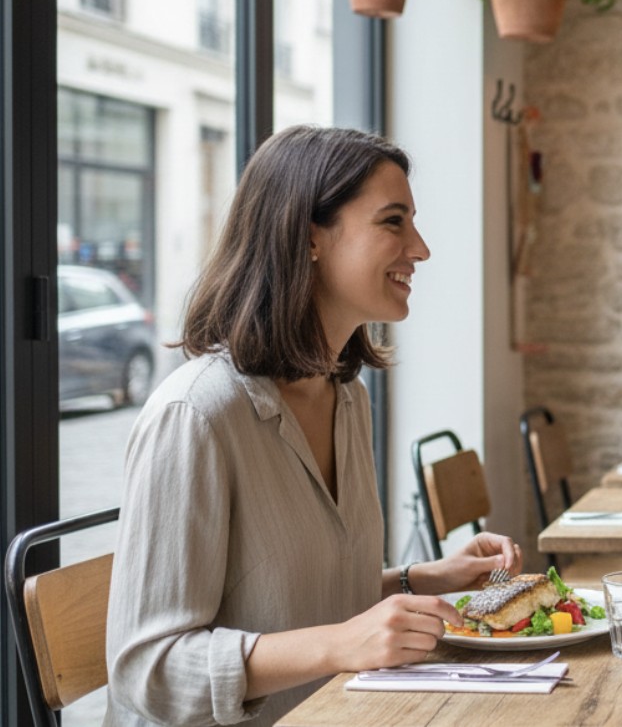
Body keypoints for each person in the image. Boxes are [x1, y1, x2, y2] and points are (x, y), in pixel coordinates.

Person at [105, 126, 522, 727]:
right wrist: (339, 645)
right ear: (309, 239)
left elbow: (292, 603)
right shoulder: (194, 416)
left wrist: (418, 578)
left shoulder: (346, 399)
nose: (421, 248)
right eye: (393, 221)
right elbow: (150, 668)